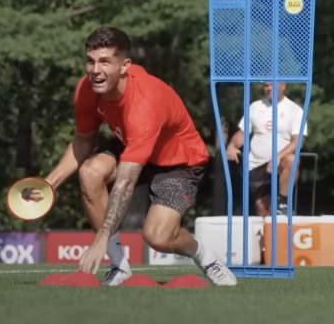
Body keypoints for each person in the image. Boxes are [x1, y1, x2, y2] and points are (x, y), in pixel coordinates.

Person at [29, 26, 237, 286]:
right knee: (90, 172)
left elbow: (125, 183)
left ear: (125, 65)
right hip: (132, 145)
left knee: (158, 237)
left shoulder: (144, 104)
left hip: (178, 162)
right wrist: (50, 183)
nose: (95, 70)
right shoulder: (86, 90)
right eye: (90, 61)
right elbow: (83, 140)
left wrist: (100, 238)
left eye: (105, 62)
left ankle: (206, 257)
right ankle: (119, 267)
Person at [226, 81, 307, 217]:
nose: (269, 88)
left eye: (272, 85)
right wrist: (232, 146)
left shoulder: (295, 110)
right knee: (262, 210)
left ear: (283, 86)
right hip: (256, 165)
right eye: (266, 85)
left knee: (292, 160)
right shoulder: (255, 107)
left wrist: (278, 157)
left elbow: (298, 141)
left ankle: (282, 203)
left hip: (280, 165)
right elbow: (242, 133)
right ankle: (265, 230)